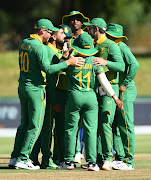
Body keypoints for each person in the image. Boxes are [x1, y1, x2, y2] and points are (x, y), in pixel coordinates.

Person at [8, 18, 85, 170]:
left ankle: (15, 157)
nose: (50, 35)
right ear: (42, 31)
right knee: (35, 125)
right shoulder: (41, 48)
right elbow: (48, 70)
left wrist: (62, 59)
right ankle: (23, 158)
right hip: (36, 89)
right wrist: (68, 63)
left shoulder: (24, 43)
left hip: (23, 86)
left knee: (24, 124)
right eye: (49, 32)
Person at [58, 33, 123, 171]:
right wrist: (115, 97)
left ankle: (69, 162)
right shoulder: (94, 61)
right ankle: (93, 163)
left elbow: (58, 68)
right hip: (91, 97)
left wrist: (65, 57)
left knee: (71, 129)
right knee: (91, 131)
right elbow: (103, 81)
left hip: (74, 95)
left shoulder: (72, 60)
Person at [84, 18, 125, 170]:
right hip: (94, 88)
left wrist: (106, 62)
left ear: (97, 29)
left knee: (105, 123)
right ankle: (96, 159)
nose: (88, 31)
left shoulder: (111, 45)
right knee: (94, 124)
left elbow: (121, 66)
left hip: (109, 88)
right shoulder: (92, 45)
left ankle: (108, 158)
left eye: (90, 28)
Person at [29, 25, 66, 169]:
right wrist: (54, 99)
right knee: (47, 128)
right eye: (62, 33)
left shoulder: (56, 51)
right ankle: (46, 159)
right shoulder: (49, 51)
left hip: (50, 93)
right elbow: (50, 77)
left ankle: (34, 158)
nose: (65, 36)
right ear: (53, 37)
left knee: (43, 127)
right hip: (50, 94)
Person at [106, 23, 139, 170]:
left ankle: (128, 161)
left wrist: (124, 84)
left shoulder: (122, 48)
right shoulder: (116, 46)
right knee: (117, 125)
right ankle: (120, 158)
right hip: (119, 90)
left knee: (126, 125)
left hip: (125, 90)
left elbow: (135, 65)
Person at [62, 11, 90, 162]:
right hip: (69, 85)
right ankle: (75, 151)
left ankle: (88, 152)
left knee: (87, 121)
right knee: (73, 122)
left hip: (86, 84)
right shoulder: (66, 39)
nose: (74, 22)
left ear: (82, 22)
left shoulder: (87, 38)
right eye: (72, 20)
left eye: (77, 19)